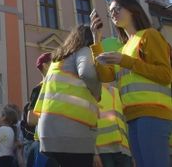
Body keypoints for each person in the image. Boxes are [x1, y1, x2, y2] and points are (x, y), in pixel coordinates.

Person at [91, 0, 172, 167]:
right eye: (110, 12)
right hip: (132, 116)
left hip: (153, 112)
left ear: (133, 9)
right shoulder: (124, 48)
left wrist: (124, 61)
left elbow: (165, 74)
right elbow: (105, 76)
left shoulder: (150, 35)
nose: (113, 14)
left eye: (117, 9)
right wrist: (96, 40)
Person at [33, 25, 101, 167]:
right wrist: (97, 92)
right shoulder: (83, 50)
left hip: (49, 131)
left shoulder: (57, 60)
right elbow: (87, 73)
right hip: (73, 130)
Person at [23, 53, 54, 167]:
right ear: (45, 66)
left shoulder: (59, 86)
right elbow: (31, 119)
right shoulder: (39, 89)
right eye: (54, 62)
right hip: (43, 143)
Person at [93, 83, 131, 167]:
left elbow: (126, 123)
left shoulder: (117, 92)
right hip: (103, 150)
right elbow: (89, 125)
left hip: (124, 150)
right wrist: (95, 153)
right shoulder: (93, 92)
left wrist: (132, 153)